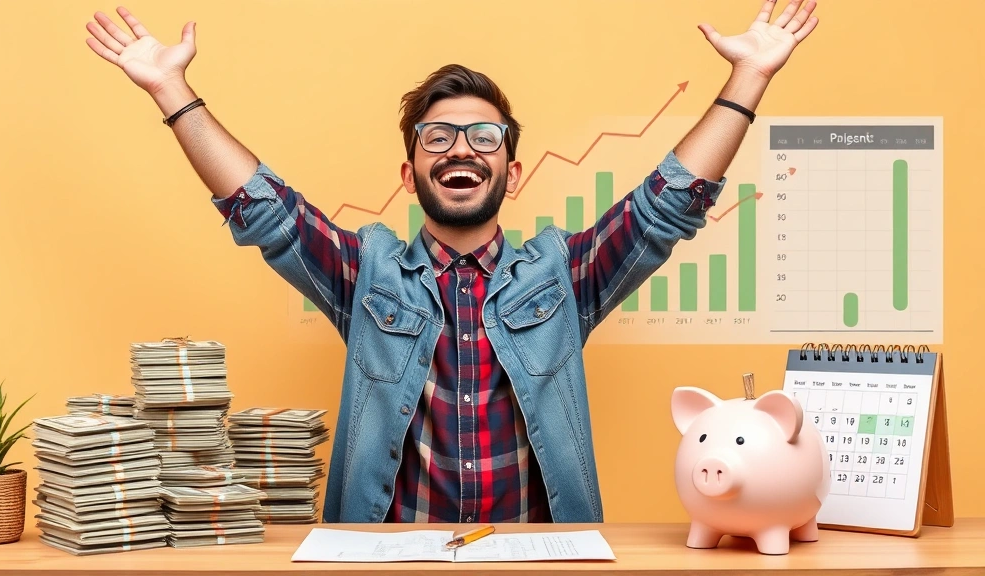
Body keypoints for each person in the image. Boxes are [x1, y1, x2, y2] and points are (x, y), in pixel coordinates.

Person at [85, 1, 819, 524]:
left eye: (482, 137)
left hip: (537, 554)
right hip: (389, 555)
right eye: (436, 138)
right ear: (410, 176)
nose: (460, 148)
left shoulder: (561, 277)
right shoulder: (365, 274)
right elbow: (267, 210)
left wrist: (749, 78)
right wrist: (170, 90)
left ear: (513, 171)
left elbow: (666, 206)